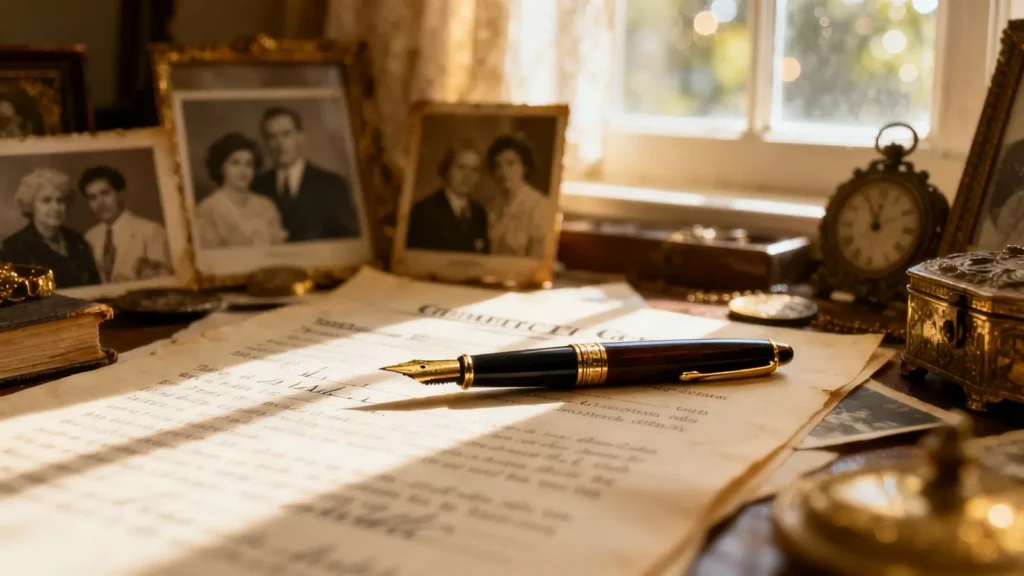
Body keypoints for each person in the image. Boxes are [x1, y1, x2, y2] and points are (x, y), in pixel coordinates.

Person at [252, 106, 361, 242]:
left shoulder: (332, 184)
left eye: (286, 134)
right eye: (272, 137)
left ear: (300, 137)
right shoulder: (256, 186)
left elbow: (348, 239)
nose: (280, 144)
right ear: (265, 144)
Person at [0, 168, 100, 287]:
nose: (56, 208)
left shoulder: (78, 242)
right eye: (46, 200)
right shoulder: (13, 248)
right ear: (31, 205)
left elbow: (95, 288)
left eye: (60, 200)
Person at [79, 165, 173, 283]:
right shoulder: (90, 237)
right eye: (93, 198)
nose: (100, 203)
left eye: (105, 193)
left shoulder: (151, 231)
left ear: (121, 194)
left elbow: (165, 282)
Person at [196, 132, 287, 248]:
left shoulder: (267, 206)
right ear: (221, 167)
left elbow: (279, 250)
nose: (243, 171)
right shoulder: (208, 209)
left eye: (249, 164)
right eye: (235, 163)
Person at [406, 142, 489, 253]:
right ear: (447, 169)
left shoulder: (480, 213)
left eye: (474, 170)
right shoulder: (424, 211)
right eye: (461, 167)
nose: (467, 176)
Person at [485, 134, 553, 259]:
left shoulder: (540, 206)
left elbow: (536, 262)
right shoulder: (492, 207)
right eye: (498, 165)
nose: (503, 172)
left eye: (511, 164)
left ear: (524, 167)